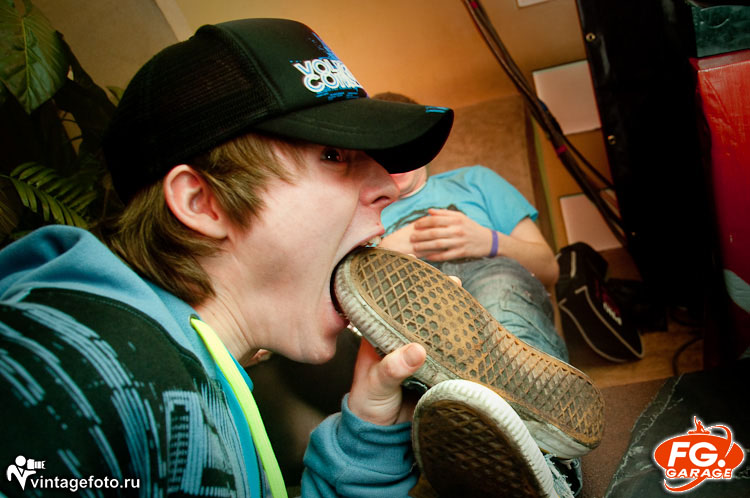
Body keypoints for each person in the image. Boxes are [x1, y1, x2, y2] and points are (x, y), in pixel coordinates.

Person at [0, 19, 453, 497]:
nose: (388, 187)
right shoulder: (73, 366)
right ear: (202, 202)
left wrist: (367, 437)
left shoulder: (201, 373)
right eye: (334, 155)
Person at [374, 92, 583, 495]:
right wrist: (387, 252)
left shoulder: (476, 181)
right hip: (420, 307)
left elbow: (549, 268)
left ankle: (548, 455)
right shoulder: (363, 211)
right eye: (381, 150)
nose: (395, 157)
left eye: (404, 143)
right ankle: (500, 441)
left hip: (494, 281)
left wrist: (487, 241)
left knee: (501, 296)